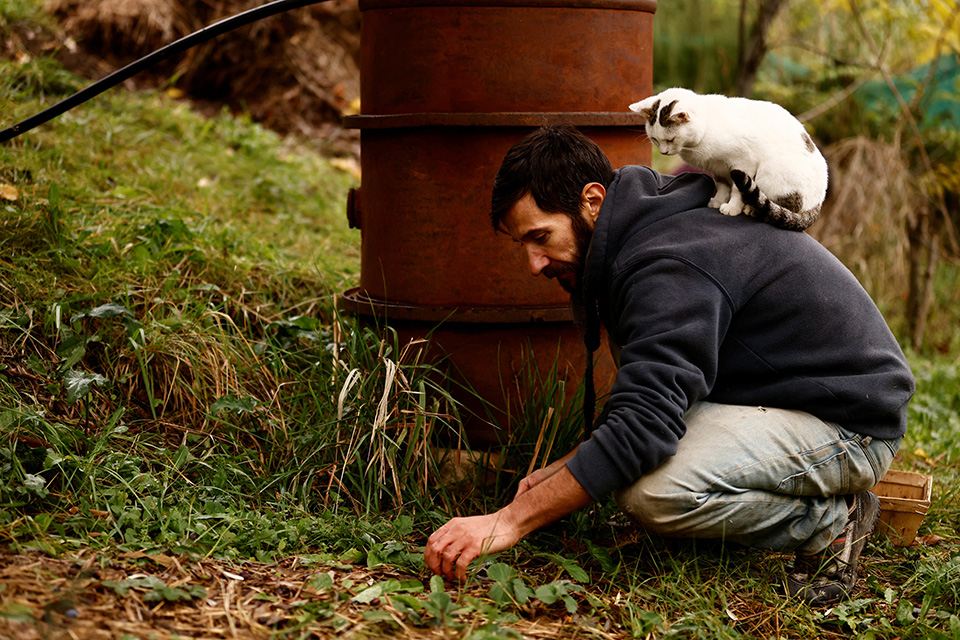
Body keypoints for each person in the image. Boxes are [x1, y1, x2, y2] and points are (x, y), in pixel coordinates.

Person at [424, 123, 915, 605]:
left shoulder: (667, 263)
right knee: (631, 469)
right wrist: (572, 465)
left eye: (540, 237)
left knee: (655, 492)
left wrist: (508, 520)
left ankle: (833, 523)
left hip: (850, 423)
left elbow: (643, 427)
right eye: (522, 246)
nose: (534, 263)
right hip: (782, 400)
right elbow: (653, 396)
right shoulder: (643, 228)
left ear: (592, 201)